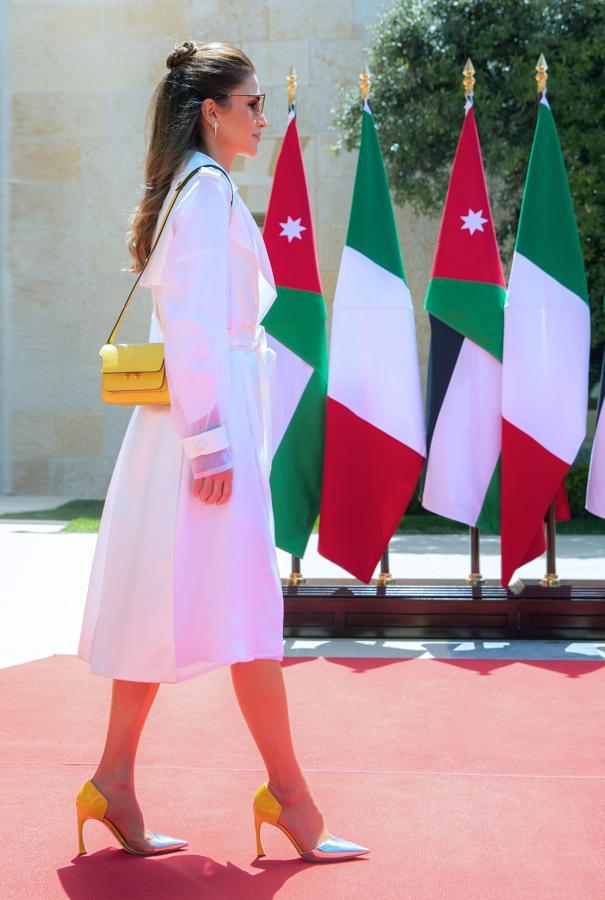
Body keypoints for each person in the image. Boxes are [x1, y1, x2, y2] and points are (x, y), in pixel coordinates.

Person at [75, 40, 369, 863]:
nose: (261, 119)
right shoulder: (203, 195)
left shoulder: (200, 190)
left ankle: (115, 780)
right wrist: (210, 443)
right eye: (249, 104)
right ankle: (292, 800)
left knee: (176, 605)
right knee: (245, 612)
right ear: (211, 111)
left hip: (202, 425)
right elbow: (194, 327)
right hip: (204, 432)